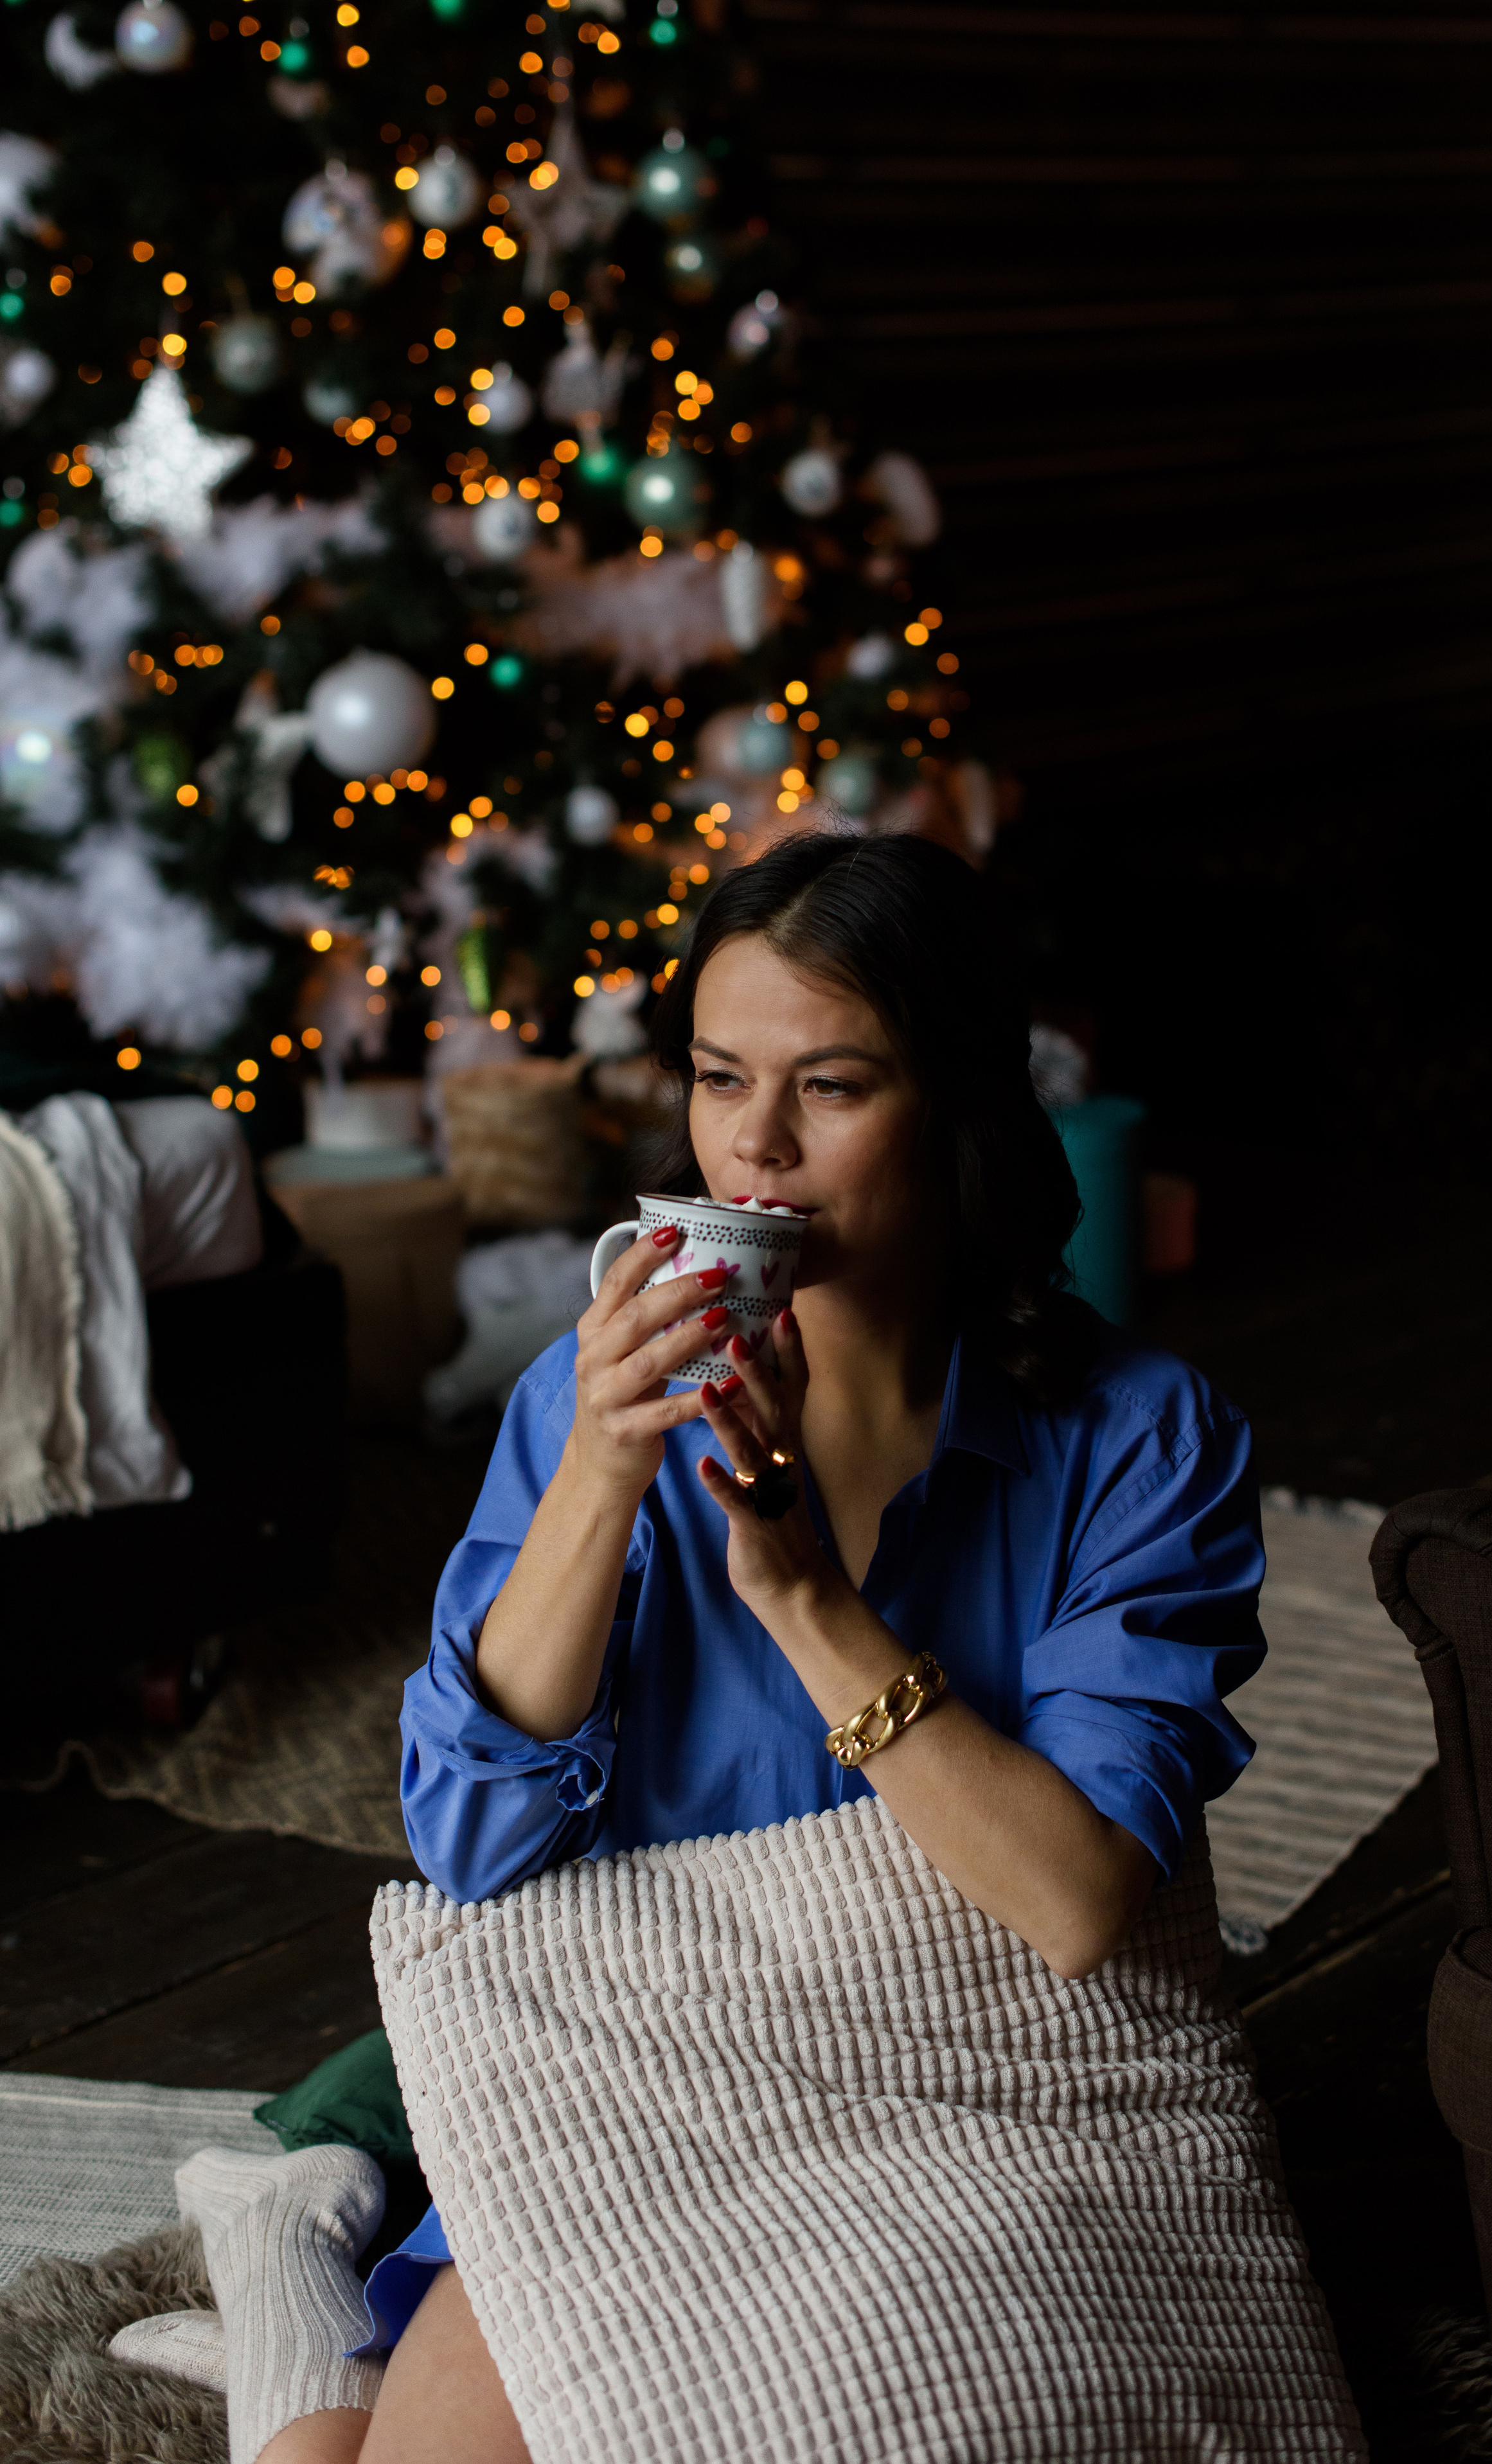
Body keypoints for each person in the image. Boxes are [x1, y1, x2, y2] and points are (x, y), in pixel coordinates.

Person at [187, 830, 1266, 2464]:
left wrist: (801, 1594)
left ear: (960, 1103)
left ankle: (306, 2217)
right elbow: (468, 1843)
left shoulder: (1140, 1440)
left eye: (829, 1086)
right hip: (639, 2085)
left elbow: (1073, 1900)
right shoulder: (585, 1400)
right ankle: (313, 2232)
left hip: (959, 2099)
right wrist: (600, 1479)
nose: (749, 1146)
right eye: (714, 1078)